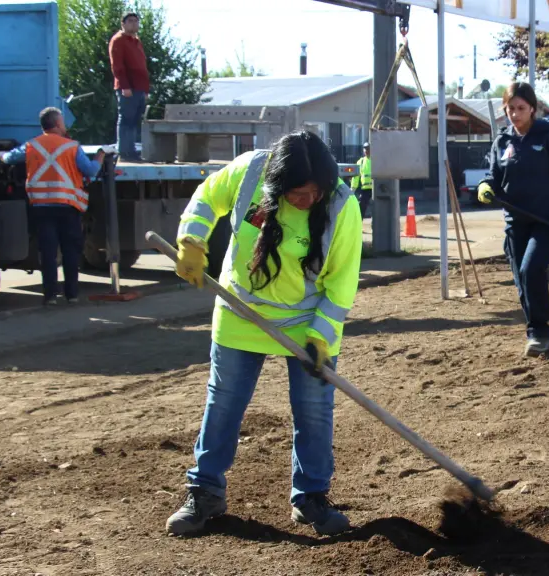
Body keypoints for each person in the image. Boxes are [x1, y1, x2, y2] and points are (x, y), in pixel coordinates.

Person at [166, 131, 363, 537]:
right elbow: (207, 197)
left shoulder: (343, 205)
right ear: (275, 184)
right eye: (296, 193)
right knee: (223, 404)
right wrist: (192, 239)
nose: (306, 200)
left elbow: (342, 283)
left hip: (306, 323)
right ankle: (205, 491)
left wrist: (321, 336)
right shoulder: (251, 171)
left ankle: (310, 496)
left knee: (314, 410)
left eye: (314, 193)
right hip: (241, 310)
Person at [477, 82, 549, 357]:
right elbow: (493, 176)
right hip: (515, 223)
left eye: (521, 108)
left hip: (546, 221)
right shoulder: (502, 142)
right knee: (522, 279)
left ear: (533, 108)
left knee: (531, 270)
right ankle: (535, 332)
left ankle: (540, 333)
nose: (515, 114)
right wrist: (486, 187)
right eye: (510, 109)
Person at [0, 107, 104, 306]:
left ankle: (49, 297)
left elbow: (8, 158)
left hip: (41, 208)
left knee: (47, 253)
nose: (65, 125)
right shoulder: (71, 147)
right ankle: (72, 295)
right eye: (63, 121)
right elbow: (90, 171)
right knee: (70, 252)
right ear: (56, 124)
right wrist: (99, 157)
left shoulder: (31, 146)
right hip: (67, 207)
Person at [109, 12, 149, 162]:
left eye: (136, 21)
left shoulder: (136, 41)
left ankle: (131, 151)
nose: (134, 24)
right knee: (126, 119)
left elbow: (142, 66)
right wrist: (125, 86)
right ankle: (124, 152)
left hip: (139, 88)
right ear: (123, 24)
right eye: (130, 21)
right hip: (128, 88)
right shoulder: (118, 40)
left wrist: (145, 89)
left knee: (134, 120)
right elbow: (117, 66)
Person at [351, 142, 372, 217]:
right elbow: (356, 177)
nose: (366, 151)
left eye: (368, 149)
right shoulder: (361, 162)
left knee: (377, 210)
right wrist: (353, 189)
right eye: (365, 149)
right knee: (360, 209)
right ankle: (359, 226)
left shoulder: (376, 160)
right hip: (365, 190)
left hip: (375, 190)